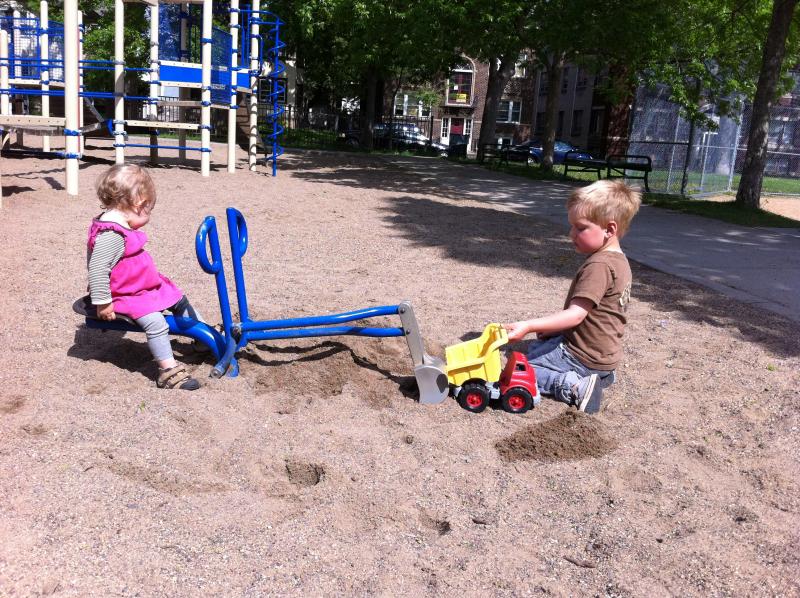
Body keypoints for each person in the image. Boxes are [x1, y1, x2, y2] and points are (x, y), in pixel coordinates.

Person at [503, 179, 641, 414]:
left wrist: (528, 325)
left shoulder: (599, 266)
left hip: (582, 356)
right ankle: (601, 376)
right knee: (539, 346)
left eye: (580, 228)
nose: (571, 234)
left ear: (609, 230)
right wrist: (552, 331)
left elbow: (575, 316)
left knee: (519, 371)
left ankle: (575, 385)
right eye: (572, 227)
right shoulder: (619, 260)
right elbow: (594, 316)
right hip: (604, 355)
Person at [86, 164, 202, 391]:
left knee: (178, 299)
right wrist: (103, 303)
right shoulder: (112, 234)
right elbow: (97, 268)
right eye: (149, 210)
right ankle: (168, 371)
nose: (149, 215)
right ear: (139, 204)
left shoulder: (120, 224)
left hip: (141, 286)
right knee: (156, 322)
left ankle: (204, 337)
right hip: (124, 295)